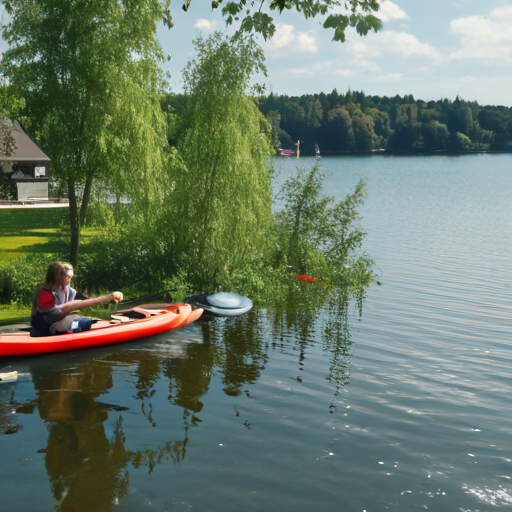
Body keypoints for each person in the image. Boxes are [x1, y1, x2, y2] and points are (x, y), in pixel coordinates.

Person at [30, 261, 123, 337]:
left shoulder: (69, 291)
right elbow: (65, 308)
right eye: (67, 277)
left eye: (70, 278)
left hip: (59, 325)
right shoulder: (44, 293)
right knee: (81, 321)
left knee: (85, 322)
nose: (68, 281)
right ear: (58, 276)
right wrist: (105, 298)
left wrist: (108, 301)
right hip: (43, 330)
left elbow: (84, 300)